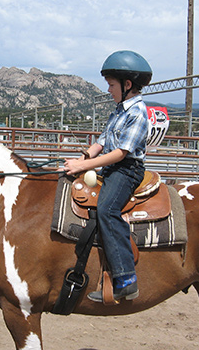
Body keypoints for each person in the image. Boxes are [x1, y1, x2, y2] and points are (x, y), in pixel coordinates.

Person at [64, 50, 152, 302]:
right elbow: (103, 142)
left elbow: (120, 153)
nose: (109, 90)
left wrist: (83, 166)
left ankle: (126, 279)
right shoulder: (119, 110)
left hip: (127, 170)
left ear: (127, 85)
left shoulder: (138, 113)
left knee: (107, 210)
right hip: (111, 168)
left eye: (112, 85)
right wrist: (83, 158)